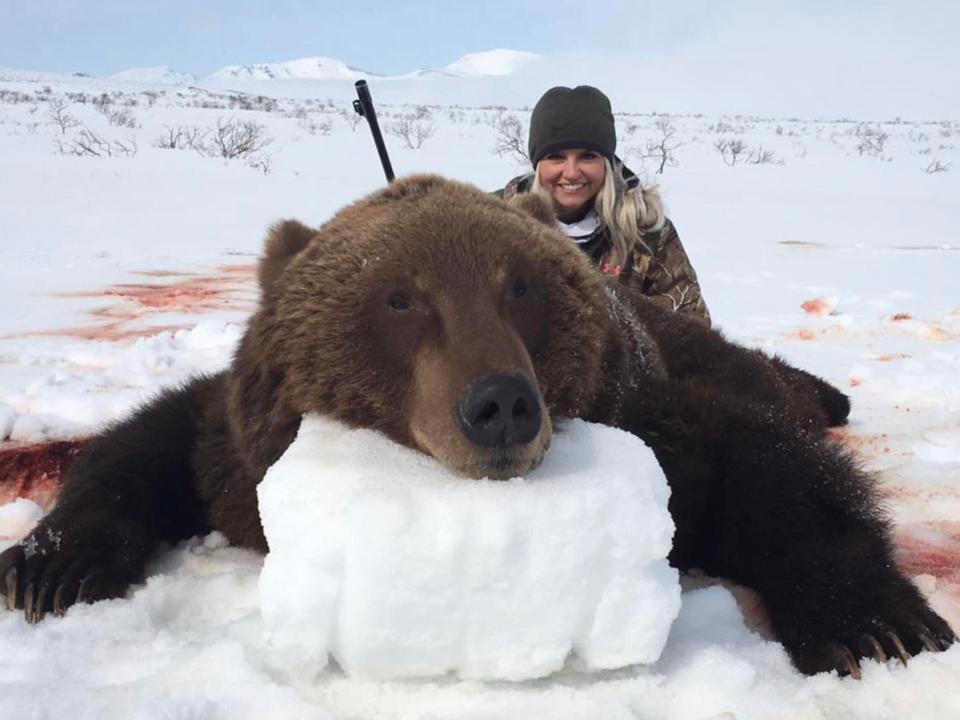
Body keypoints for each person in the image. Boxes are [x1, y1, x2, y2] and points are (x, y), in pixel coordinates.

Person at [496, 85, 710, 325]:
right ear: (538, 164)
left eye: (588, 156)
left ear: (607, 162)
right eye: (556, 157)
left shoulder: (646, 231)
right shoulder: (495, 224)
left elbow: (691, 330)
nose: (572, 173)